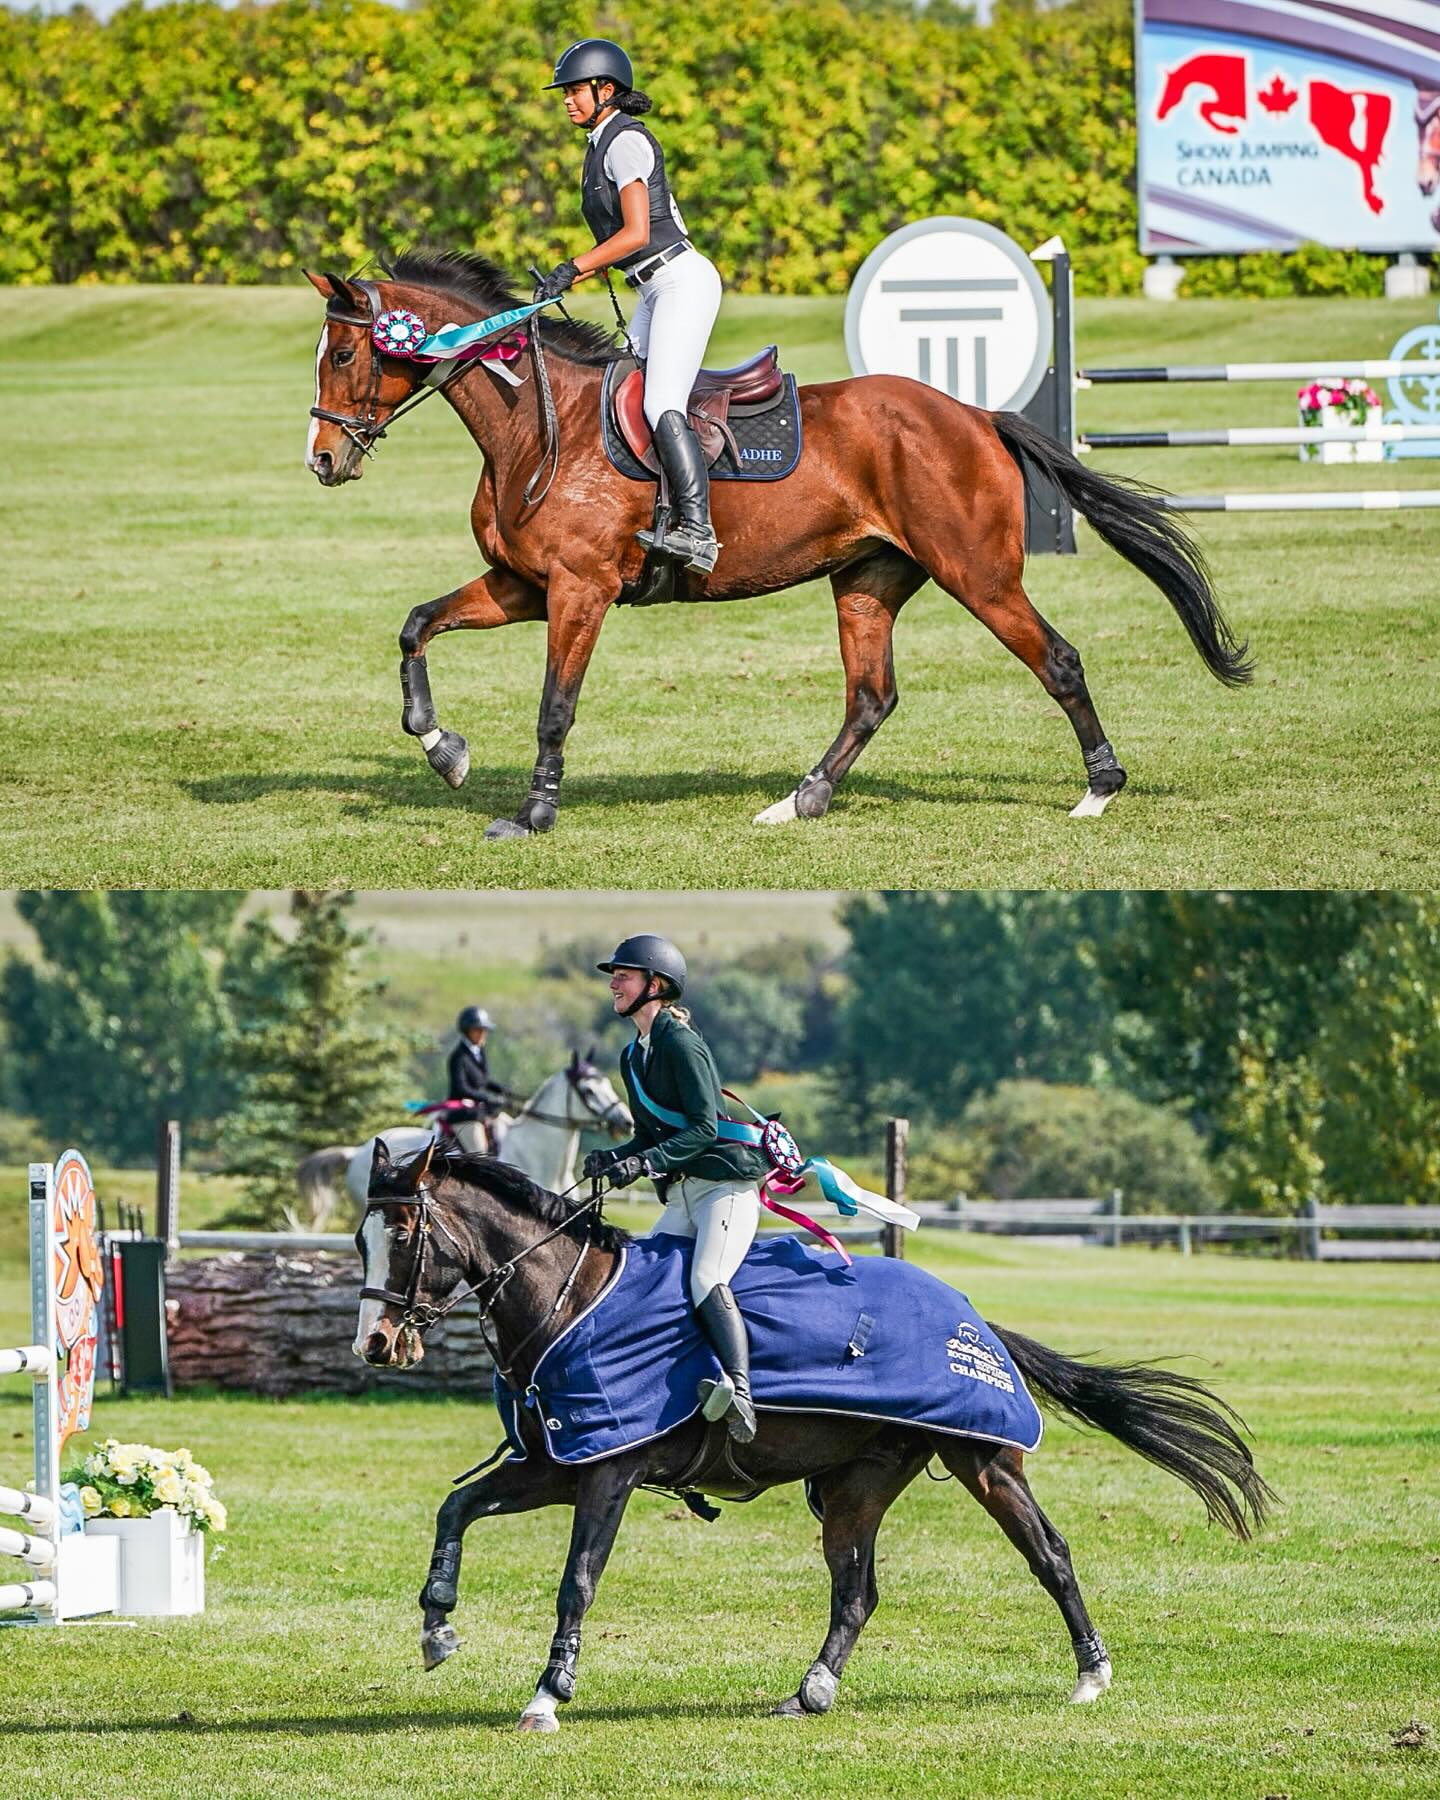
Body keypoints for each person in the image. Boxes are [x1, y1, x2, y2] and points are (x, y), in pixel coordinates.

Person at [533, 38, 724, 575]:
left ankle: (698, 531)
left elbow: (638, 232)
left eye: (574, 91)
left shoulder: (623, 141)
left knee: (661, 400)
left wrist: (575, 266)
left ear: (606, 90)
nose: (567, 101)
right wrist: (572, 274)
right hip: (652, 287)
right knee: (619, 388)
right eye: (565, 92)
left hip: (680, 281)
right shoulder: (598, 144)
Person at [583, 934, 770, 1441]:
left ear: (656, 985)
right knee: (648, 1278)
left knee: (706, 1278)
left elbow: (704, 1128)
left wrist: (643, 1163)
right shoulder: (632, 1056)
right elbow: (649, 1134)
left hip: (724, 1190)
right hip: (684, 1195)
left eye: (624, 974)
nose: (613, 983)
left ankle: (742, 1393)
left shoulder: (682, 1042)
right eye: (613, 975)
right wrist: (616, 1158)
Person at [447, 1006, 507, 1155]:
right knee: (480, 1153)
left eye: (484, 1030)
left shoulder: (479, 1052)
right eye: (478, 1030)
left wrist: (503, 1090)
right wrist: (487, 1097)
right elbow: (461, 1088)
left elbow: (483, 1080)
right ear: (467, 1031)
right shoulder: (458, 1057)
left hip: (480, 1111)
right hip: (464, 1116)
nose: (483, 1034)